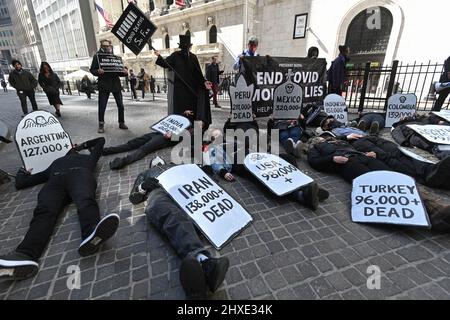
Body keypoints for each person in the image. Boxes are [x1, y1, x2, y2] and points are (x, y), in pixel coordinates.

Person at [0, 138, 120, 280]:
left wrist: (81, 145)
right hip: (55, 182)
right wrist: (22, 171)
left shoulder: (88, 157)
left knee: (85, 200)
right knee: (44, 212)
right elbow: (22, 183)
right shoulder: (55, 163)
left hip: (79, 174)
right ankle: (25, 256)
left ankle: (91, 234)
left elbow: (101, 141)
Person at [129, 158, 230, 299]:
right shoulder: (145, 174)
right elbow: (133, 198)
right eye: (154, 161)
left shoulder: (175, 166)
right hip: (159, 193)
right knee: (173, 216)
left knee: (191, 216)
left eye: (160, 159)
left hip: (184, 190)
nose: (158, 160)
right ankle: (203, 262)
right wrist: (143, 187)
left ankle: (202, 269)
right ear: (151, 166)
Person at [307, 134, 450, 232]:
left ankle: (435, 207)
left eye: (324, 136)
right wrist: (332, 159)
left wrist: (370, 153)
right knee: (379, 186)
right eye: (319, 137)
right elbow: (314, 162)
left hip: (364, 157)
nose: (322, 138)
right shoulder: (316, 148)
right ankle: (432, 215)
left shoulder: (339, 140)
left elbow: (356, 146)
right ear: (314, 141)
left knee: (396, 180)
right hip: (347, 163)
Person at [203, 129, 329, 211]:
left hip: (257, 156)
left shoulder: (232, 142)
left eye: (220, 134)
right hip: (240, 162)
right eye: (216, 136)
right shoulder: (215, 147)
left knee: (288, 158)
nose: (219, 136)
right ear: (212, 140)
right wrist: (223, 172)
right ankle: (302, 196)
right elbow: (215, 161)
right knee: (267, 176)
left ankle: (304, 183)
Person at [154, 35, 212, 126]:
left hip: (191, 90)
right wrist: (159, 56)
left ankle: (191, 129)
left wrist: (204, 82)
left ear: (189, 47)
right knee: (181, 111)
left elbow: (198, 73)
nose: (186, 49)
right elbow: (166, 64)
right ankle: (180, 129)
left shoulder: (193, 57)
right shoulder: (175, 55)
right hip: (180, 90)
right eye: (184, 47)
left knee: (192, 111)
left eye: (187, 47)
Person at [90, 40, 129, 134]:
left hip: (115, 84)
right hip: (104, 84)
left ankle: (121, 122)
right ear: (101, 46)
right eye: (105, 46)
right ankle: (101, 124)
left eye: (109, 46)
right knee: (102, 106)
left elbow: (120, 71)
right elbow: (92, 69)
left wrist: (125, 72)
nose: (108, 47)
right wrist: (97, 72)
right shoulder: (97, 57)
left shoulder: (115, 57)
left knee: (121, 105)